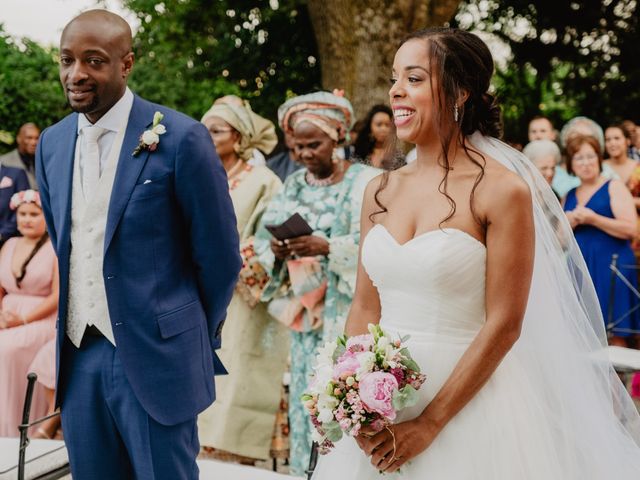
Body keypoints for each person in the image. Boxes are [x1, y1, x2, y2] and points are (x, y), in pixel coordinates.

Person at [312, 28, 640, 479]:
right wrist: (350, 395)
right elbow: (366, 305)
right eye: (394, 78)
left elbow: (504, 323)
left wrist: (430, 423)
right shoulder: (379, 189)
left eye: (414, 78)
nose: (396, 90)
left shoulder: (503, 190)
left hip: (471, 406)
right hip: (382, 407)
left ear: (459, 91)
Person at [36, 10, 240, 479]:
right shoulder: (52, 143)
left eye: (94, 60)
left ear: (126, 64)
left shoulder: (182, 137)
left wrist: (185, 332)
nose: (76, 74)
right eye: (67, 60)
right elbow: (66, 239)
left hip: (158, 358)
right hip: (79, 352)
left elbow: (220, 256)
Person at [254, 91, 380, 476]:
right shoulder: (292, 184)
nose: (305, 154)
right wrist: (276, 249)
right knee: (308, 408)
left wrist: (328, 247)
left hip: (352, 317)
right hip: (307, 324)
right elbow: (262, 240)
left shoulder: (368, 181)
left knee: (347, 409)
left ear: (339, 137)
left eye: (314, 144)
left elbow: (385, 245)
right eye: (298, 146)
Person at [197, 100, 290, 463]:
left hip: (243, 298)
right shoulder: (196, 174)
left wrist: (222, 259)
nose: (206, 137)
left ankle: (237, 459)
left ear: (238, 138)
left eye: (216, 130)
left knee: (238, 376)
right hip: (198, 296)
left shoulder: (264, 181)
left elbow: (272, 239)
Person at [564, 134, 638, 346]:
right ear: (571, 164)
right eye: (579, 158)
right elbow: (557, 240)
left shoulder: (614, 187)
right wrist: (569, 223)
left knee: (615, 331)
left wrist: (594, 219)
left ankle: (620, 379)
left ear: (599, 159)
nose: (586, 163)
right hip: (581, 268)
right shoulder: (568, 195)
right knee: (583, 333)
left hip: (612, 265)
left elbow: (630, 229)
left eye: (590, 156)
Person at [0, 190, 58, 437]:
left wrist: (23, 319)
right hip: (8, 317)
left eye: (34, 214)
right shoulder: (9, 245)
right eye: (22, 214)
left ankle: (16, 427)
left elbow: (58, 295)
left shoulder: (55, 248)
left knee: (7, 348)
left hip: (41, 319)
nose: (27, 219)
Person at [353, 104, 399, 168]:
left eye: (387, 125)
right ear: (370, 128)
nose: (383, 129)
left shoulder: (398, 157)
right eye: (379, 125)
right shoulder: (360, 153)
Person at [0, 123, 40, 189]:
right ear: (19, 139)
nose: (34, 142)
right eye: (29, 138)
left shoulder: (44, 162)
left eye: (37, 138)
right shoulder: (4, 162)